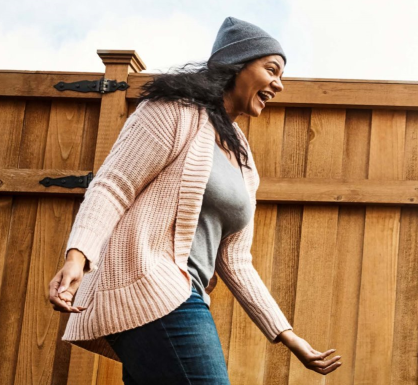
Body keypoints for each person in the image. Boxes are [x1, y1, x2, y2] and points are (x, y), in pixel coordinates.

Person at [48, 17, 341, 384]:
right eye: (271, 69)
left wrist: (287, 335)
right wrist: (78, 257)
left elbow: (235, 260)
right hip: (153, 287)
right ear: (237, 64)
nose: (279, 83)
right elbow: (113, 184)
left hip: (188, 296)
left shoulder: (243, 161)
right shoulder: (174, 111)